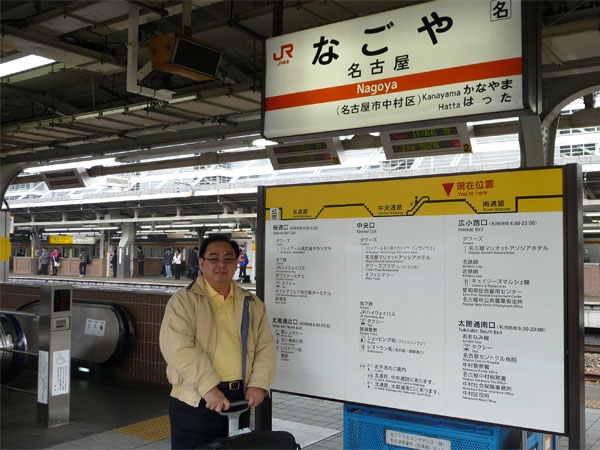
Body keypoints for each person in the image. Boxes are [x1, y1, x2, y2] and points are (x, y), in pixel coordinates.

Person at [159, 234, 276, 449]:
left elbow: (265, 346)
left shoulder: (252, 303)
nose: (221, 264)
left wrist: (259, 383)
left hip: (239, 398)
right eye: (213, 258)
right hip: (195, 399)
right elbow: (178, 349)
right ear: (201, 263)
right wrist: (208, 387)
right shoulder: (183, 301)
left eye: (228, 258)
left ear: (236, 262)